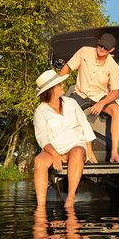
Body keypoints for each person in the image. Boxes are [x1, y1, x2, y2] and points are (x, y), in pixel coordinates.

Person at [33, 69, 98, 208]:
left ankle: (70, 197)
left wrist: (90, 150)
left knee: (78, 152)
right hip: (53, 149)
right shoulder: (40, 111)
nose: (63, 85)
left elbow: (84, 124)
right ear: (50, 90)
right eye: (59, 84)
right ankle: (40, 207)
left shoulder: (71, 103)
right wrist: (55, 154)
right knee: (39, 161)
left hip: (75, 145)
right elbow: (42, 137)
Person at [59, 33, 119, 163]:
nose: (101, 49)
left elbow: (115, 92)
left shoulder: (113, 66)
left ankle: (114, 154)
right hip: (80, 93)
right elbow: (67, 68)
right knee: (63, 111)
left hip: (99, 96)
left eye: (105, 48)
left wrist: (102, 103)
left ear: (111, 50)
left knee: (117, 110)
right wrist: (56, 85)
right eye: (100, 45)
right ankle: (63, 152)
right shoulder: (84, 51)